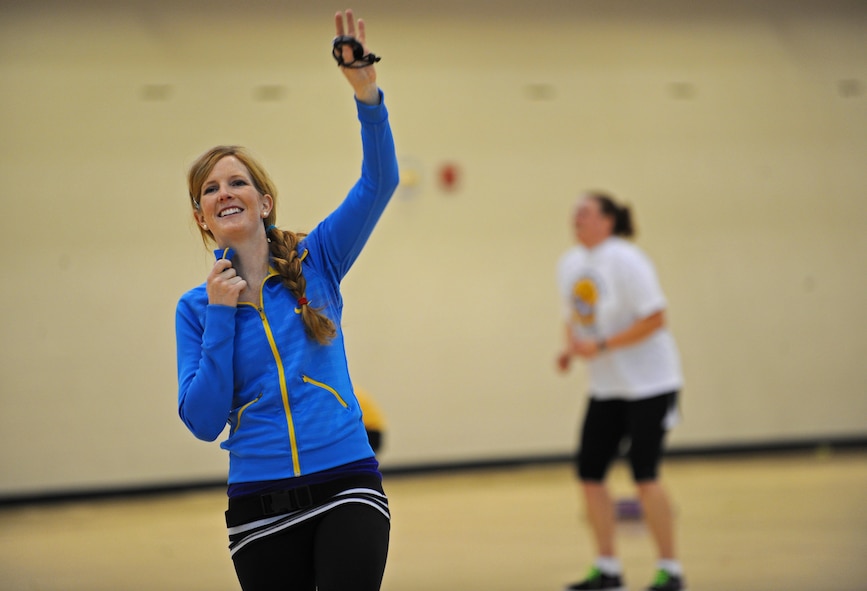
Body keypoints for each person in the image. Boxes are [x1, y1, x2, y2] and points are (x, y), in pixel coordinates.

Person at [174, 10, 398, 591]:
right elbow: (201, 421)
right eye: (211, 189)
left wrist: (366, 94)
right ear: (203, 218)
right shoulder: (195, 310)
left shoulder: (318, 259)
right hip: (258, 503)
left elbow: (380, 182)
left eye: (237, 181)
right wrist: (222, 317)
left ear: (264, 201)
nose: (225, 192)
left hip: (347, 480)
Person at [555, 192, 687, 591]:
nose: (576, 217)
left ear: (608, 221)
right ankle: (608, 567)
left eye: (585, 211)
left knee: (644, 474)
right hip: (606, 387)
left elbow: (656, 318)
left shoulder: (627, 260)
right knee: (590, 474)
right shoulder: (569, 264)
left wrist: (604, 346)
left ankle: (670, 569)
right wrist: (571, 350)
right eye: (574, 211)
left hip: (651, 385)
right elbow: (573, 318)